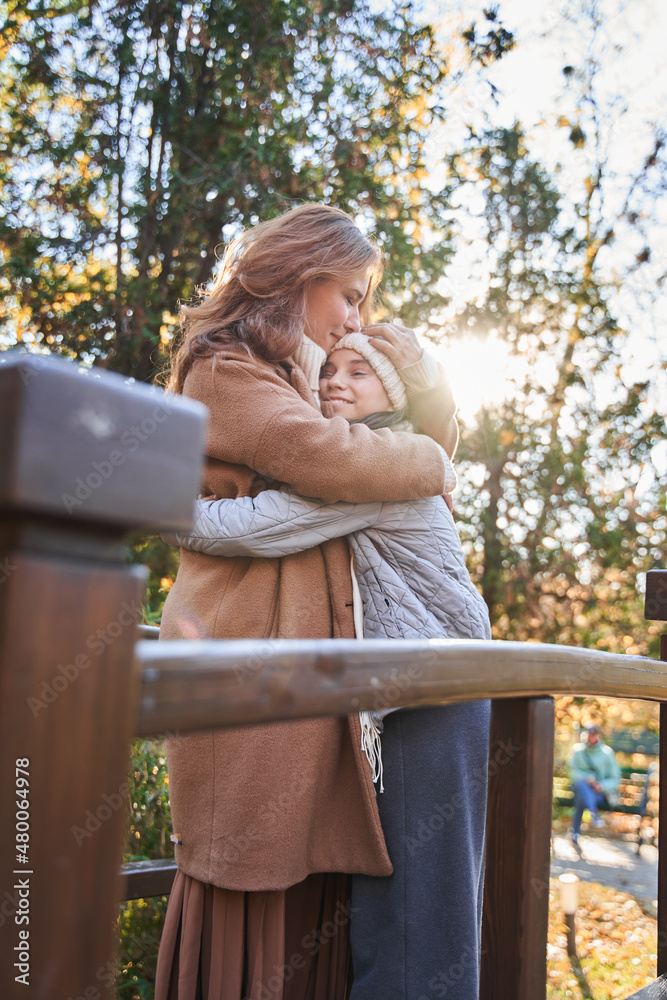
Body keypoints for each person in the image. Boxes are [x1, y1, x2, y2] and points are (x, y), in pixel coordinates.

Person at [154, 204, 458, 1000]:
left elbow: (381, 464)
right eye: (350, 295)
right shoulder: (225, 369)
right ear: (303, 272)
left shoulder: (299, 374)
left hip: (309, 674)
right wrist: (428, 453)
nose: (357, 316)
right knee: (247, 871)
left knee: (311, 887)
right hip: (248, 658)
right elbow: (331, 461)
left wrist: (426, 409)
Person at [568, 725, 621, 846]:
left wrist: (601, 785)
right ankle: (594, 814)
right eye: (589, 734)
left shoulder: (607, 753)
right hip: (581, 787)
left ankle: (575, 832)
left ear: (598, 735)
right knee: (582, 785)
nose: (590, 737)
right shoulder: (577, 751)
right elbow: (572, 772)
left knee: (582, 796)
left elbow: (614, 778)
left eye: (593, 734)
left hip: (599, 793)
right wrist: (587, 778)